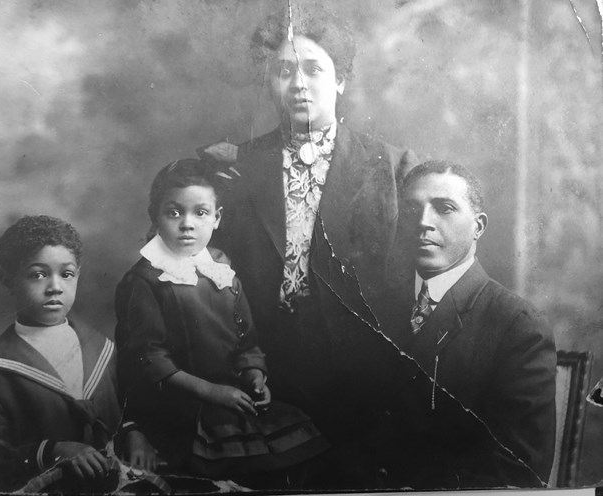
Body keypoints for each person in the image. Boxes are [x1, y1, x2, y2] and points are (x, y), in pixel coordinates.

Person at [200, 5, 421, 450]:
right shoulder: (233, 166)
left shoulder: (394, 169)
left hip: (363, 380)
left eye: (314, 69)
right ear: (271, 83)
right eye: (285, 70)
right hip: (261, 371)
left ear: (340, 79)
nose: (299, 83)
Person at [114, 160, 329, 488]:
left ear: (217, 218)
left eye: (200, 213)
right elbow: (150, 360)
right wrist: (214, 393)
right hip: (181, 407)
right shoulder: (145, 280)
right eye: (174, 213)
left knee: (297, 446)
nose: (187, 224)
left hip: (231, 397)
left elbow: (246, 343)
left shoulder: (222, 272)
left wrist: (254, 377)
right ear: (155, 217)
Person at [381, 161, 557, 485]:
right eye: (411, 209)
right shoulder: (374, 305)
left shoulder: (519, 327)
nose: (423, 223)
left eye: (444, 208)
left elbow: (518, 470)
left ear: (478, 226)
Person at [0, 215, 156, 493]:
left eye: (66, 274)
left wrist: (133, 431)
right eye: (38, 274)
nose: (55, 287)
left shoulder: (103, 350)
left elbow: (126, 403)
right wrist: (50, 451)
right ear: (8, 279)